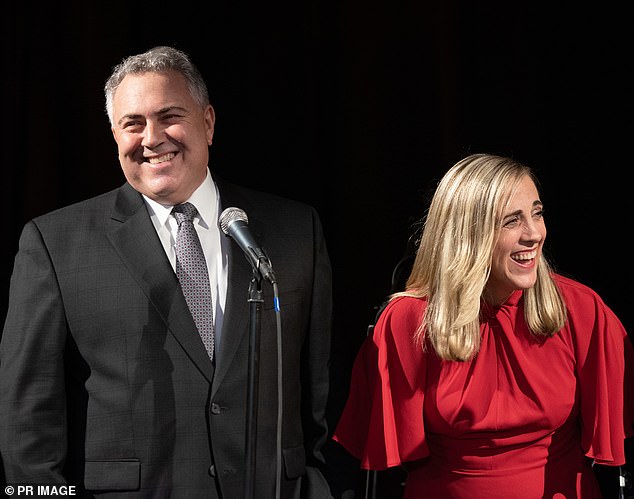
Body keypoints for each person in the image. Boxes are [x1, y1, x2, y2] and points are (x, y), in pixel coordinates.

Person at [0, 46, 334, 499]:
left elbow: (320, 391)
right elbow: (28, 417)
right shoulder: (55, 243)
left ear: (209, 123)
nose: (151, 138)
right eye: (132, 124)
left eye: (169, 116)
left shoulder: (293, 230)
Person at [333, 153, 633, 498]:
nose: (534, 233)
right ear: (467, 234)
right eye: (511, 221)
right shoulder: (409, 320)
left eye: (537, 213)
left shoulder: (580, 308)